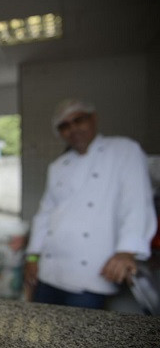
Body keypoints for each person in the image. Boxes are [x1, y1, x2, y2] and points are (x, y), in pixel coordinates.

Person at [23, 98, 156, 309]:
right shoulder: (57, 166)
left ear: (93, 118)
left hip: (90, 278)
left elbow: (136, 202)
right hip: (49, 272)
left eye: (79, 120)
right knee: (41, 334)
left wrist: (127, 251)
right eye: (64, 126)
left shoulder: (124, 150)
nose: (73, 129)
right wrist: (32, 256)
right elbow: (44, 214)